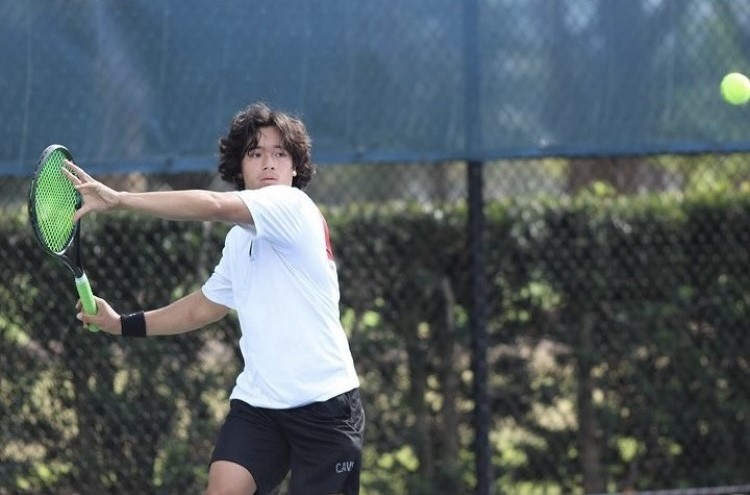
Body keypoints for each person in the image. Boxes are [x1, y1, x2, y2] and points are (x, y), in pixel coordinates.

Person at [64, 102, 365, 495]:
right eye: (255, 154)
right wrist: (121, 323)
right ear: (240, 167)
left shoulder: (292, 207)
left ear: (296, 168)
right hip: (261, 403)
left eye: (280, 153)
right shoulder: (240, 240)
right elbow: (204, 306)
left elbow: (213, 204)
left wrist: (119, 199)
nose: (268, 163)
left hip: (325, 406)